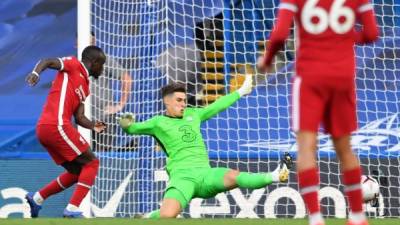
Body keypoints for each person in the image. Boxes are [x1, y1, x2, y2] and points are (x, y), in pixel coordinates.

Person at [257, 1, 379, 225]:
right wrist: (347, 37)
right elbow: (372, 33)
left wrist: (266, 60)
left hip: (310, 77)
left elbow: (279, 35)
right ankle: (357, 216)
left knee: (306, 148)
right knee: (345, 148)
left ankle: (315, 218)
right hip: (343, 78)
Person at [118, 75, 293, 218]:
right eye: (179, 100)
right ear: (167, 102)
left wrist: (240, 92)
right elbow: (133, 128)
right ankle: (148, 217)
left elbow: (217, 106)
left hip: (206, 174)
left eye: (185, 100)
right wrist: (125, 123)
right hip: (182, 178)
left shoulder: (193, 114)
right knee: (167, 216)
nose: (183, 104)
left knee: (236, 176)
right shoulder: (158, 123)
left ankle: (276, 175)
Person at [24, 46, 107, 218]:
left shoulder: (86, 86)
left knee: (78, 172)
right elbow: (47, 61)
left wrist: (93, 125)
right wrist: (36, 73)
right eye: (102, 65)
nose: (103, 69)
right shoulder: (73, 64)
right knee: (92, 163)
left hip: (47, 128)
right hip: (56, 125)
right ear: (95, 62)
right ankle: (72, 209)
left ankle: (37, 198)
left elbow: (80, 117)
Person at [88, 33, 132, 151]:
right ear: (76, 44)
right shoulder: (73, 62)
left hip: (103, 119)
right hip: (80, 120)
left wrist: (120, 105)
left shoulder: (103, 60)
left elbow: (126, 78)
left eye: (91, 42)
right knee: (80, 160)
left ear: (95, 42)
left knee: (103, 159)